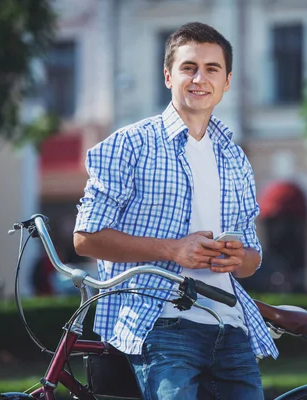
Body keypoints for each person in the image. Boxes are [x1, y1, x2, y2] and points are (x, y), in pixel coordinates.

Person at [73, 21, 278, 400]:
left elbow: (252, 259)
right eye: (189, 67)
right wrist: (172, 249)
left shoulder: (235, 159)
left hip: (230, 326)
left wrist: (237, 258)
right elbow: (86, 238)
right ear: (168, 76)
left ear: (227, 81)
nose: (200, 78)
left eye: (212, 69)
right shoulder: (128, 145)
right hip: (162, 324)